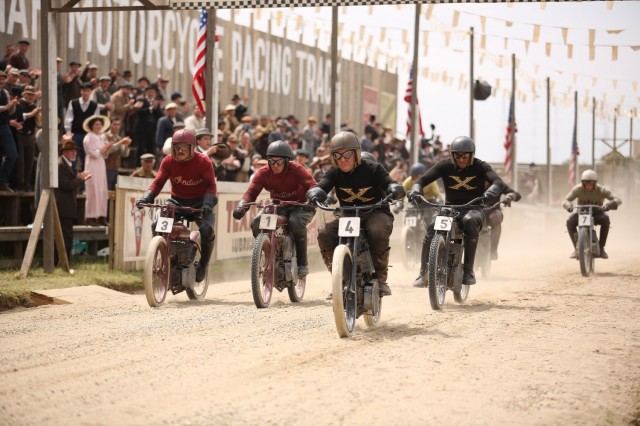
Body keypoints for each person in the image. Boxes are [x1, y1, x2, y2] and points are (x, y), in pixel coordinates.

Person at [306, 131, 406, 296]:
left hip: (375, 212)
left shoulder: (373, 168)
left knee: (377, 231)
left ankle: (380, 279)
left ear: (356, 154)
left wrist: (394, 189)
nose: (343, 159)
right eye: (337, 155)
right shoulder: (334, 172)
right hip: (348, 215)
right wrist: (315, 192)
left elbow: (389, 183)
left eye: (347, 154)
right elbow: (322, 185)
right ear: (333, 157)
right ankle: (340, 279)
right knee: (324, 233)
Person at [407, 136, 503, 286]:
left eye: (465, 156)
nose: (461, 159)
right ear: (452, 155)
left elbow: (497, 182)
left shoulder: (481, 166)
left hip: (473, 208)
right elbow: (422, 180)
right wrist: (416, 190)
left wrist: (490, 193)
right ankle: (423, 273)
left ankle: (469, 271)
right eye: (457, 155)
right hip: (450, 208)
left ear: (471, 155)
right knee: (432, 226)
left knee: (470, 222)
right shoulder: (444, 165)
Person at [135, 129, 218, 282]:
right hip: (177, 202)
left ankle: (203, 265)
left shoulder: (204, 161)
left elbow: (212, 187)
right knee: (157, 225)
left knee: (207, 230)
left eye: (184, 147)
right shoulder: (168, 161)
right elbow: (158, 182)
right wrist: (147, 197)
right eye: (176, 147)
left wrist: (207, 204)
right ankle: (164, 258)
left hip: (200, 204)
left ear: (192, 148)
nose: (179, 151)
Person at [232, 141, 317, 278]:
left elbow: (312, 185)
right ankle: (267, 251)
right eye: (272, 161)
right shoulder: (263, 173)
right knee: (257, 221)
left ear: (287, 161)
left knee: (295, 223)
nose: (275, 165)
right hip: (279, 205)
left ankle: (302, 264)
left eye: (279, 162)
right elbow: (251, 192)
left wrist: (314, 195)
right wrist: (242, 206)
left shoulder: (297, 169)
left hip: (302, 206)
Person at [562, 169, 621, 260]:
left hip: (597, 213)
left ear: (595, 183)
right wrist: (569, 206)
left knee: (606, 219)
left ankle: (601, 248)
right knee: (570, 221)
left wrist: (608, 206)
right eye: (586, 183)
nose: (588, 185)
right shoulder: (578, 189)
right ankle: (576, 248)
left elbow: (618, 199)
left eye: (591, 183)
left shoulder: (602, 190)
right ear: (583, 183)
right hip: (581, 212)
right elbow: (565, 200)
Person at [55, 139, 92, 265]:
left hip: (66, 206)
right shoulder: (60, 165)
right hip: (63, 206)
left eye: (74, 151)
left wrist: (79, 177)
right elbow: (65, 185)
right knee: (65, 236)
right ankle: (63, 262)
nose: (74, 153)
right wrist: (80, 179)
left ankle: (63, 261)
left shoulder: (66, 164)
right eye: (71, 151)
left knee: (66, 235)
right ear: (64, 152)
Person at [82, 115, 112, 226]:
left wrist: (107, 149)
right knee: (93, 189)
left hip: (100, 164)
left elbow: (104, 155)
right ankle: (90, 216)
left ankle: (101, 216)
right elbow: (93, 153)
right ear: (92, 126)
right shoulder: (88, 137)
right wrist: (104, 148)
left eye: (100, 124)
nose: (98, 126)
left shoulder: (100, 137)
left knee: (102, 189)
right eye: (96, 124)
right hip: (92, 165)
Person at [483, 183, 521, 261]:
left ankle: (493, 250)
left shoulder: (497, 183)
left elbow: (516, 194)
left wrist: (510, 196)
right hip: (473, 211)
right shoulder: (471, 178)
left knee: (495, 217)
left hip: (492, 211)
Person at [0, 73, 18, 192]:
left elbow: (10, 112)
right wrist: (7, 106)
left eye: (2, 78)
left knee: (12, 155)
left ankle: (2, 180)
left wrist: (13, 105)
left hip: (3, 126)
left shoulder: (5, 93)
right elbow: (5, 108)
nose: (1, 81)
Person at [103, 117, 132, 190]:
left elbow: (124, 154)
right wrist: (121, 142)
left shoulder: (119, 138)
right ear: (110, 125)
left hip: (115, 168)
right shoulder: (104, 136)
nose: (116, 127)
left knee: (113, 192)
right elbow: (109, 150)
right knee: (106, 191)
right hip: (106, 167)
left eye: (118, 125)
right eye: (114, 124)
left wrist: (126, 145)